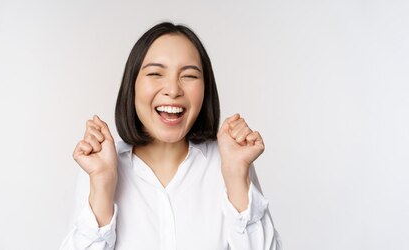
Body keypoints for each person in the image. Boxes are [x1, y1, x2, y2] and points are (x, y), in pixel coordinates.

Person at [59, 22, 281, 249]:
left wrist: (236, 177)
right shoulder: (100, 166)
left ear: (206, 89)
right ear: (132, 84)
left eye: (190, 76)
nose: (173, 90)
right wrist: (103, 185)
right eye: (155, 73)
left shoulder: (231, 161)